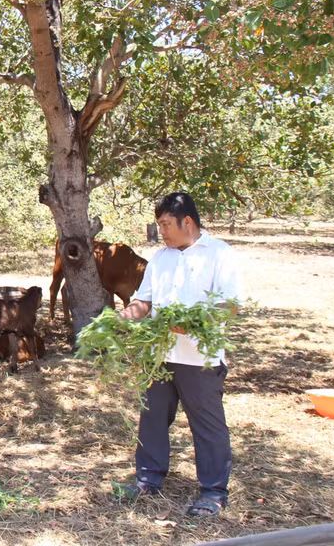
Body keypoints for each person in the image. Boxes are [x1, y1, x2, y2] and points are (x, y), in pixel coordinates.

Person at [117, 192, 243, 517]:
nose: (161, 231)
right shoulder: (161, 258)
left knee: (207, 426)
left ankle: (213, 493)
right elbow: (144, 301)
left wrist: (189, 324)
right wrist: (124, 317)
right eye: (159, 224)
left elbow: (228, 306)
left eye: (165, 224)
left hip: (200, 359)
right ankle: (148, 478)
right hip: (160, 355)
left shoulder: (220, 254)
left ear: (187, 221)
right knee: (153, 419)